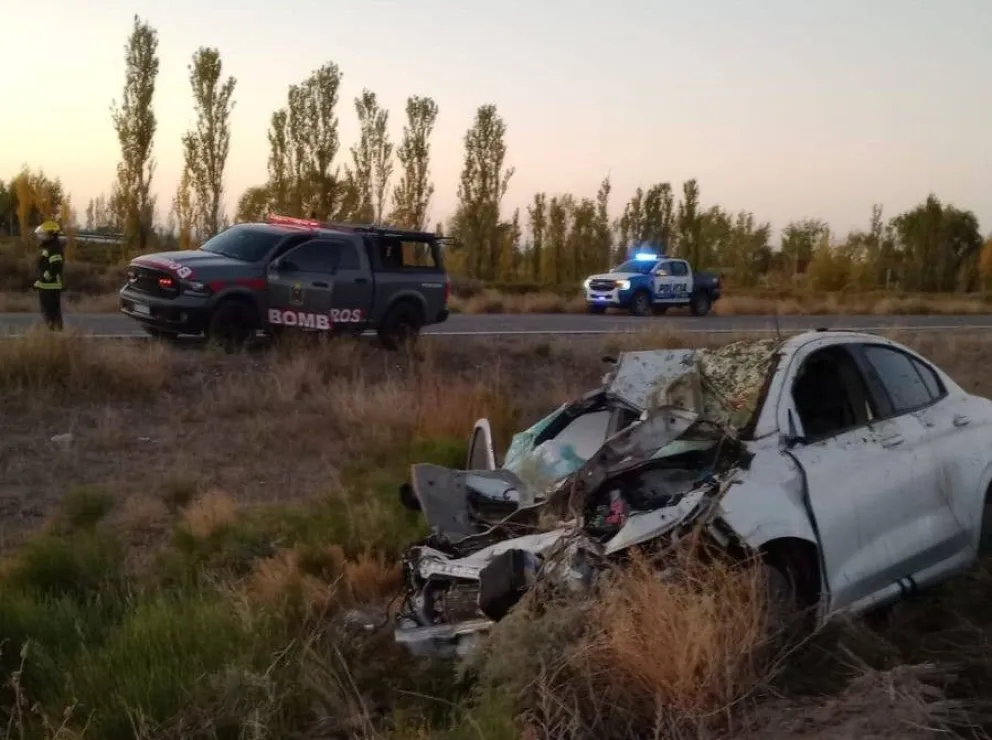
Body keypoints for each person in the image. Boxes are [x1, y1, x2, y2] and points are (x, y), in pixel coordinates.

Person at [33, 220, 65, 330]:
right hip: (46, 286)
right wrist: (40, 281)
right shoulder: (48, 247)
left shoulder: (54, 248)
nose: (41, 236)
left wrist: (43, 279)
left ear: (51, 235)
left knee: (51, 313)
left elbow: (55, 266)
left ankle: (55, 335)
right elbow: (44, 267)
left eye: (44, 233)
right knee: (48, 313)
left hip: (51, 287)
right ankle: (54, 334)